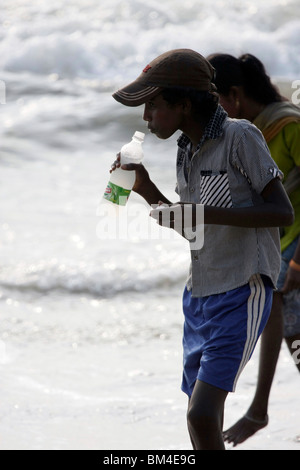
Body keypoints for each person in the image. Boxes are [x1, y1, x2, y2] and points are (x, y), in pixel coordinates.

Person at [110, 49, 294, 450]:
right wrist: (146, 192)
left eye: (153, 106)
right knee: (198, 414)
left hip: (242, 288)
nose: (146, 118)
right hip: (199, 297)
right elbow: (195, 229)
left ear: (183, 103)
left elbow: (281, 211)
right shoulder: (185, 150)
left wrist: (209, 211)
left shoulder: (239, 136)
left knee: (202, 413)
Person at [207, 52, 300, 446]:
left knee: (281, 316)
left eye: (215, 102)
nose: (212, 112)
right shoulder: (247, 132)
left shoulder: (288, 124)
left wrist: (298, 260)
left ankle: (259, 409)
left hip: (295, 247)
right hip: (278, 245)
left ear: (235, 94)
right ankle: (259, 409)